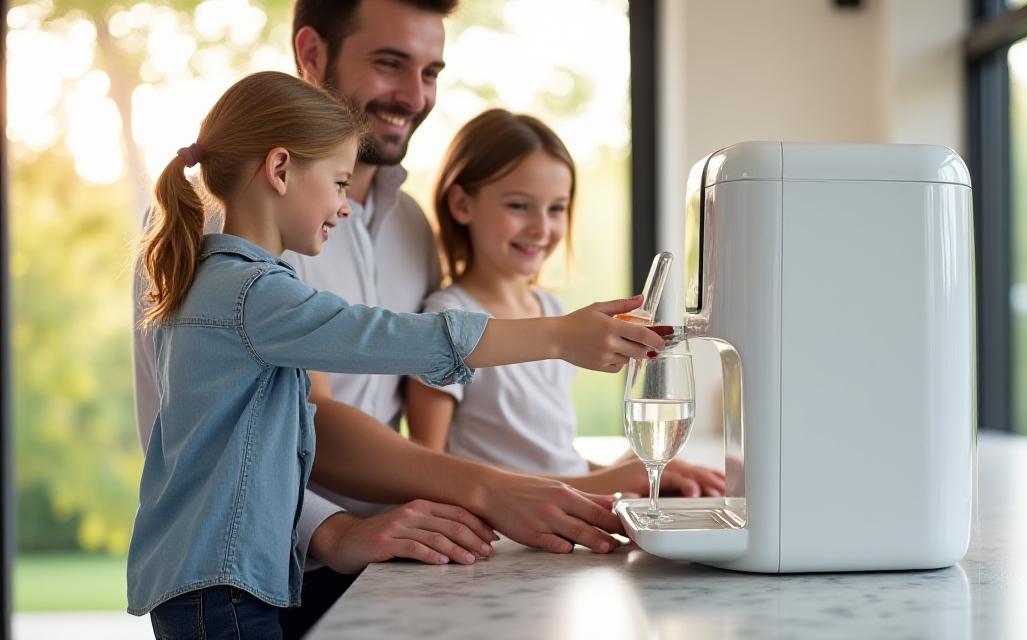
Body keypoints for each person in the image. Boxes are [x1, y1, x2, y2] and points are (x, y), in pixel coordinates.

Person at [127, 70, 665, 637]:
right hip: (226, 586)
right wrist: (557, 336)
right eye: (338, 184)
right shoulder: (255, 294)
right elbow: (387, 336)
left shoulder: (214, 280)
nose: (343, 207)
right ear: (280, 170)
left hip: (220, 578)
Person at [401, 109, 725, 495]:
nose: (542, 228)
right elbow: (433, 474)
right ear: (462, 204)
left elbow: (553, 462)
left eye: (556, 208)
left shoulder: (552, 312)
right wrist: (603, 482)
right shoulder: (446, 322)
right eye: (519, 205)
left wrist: (624, 470)